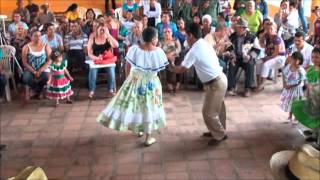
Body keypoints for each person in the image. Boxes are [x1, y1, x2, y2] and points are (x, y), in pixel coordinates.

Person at [97, 27, 168, 146]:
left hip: (134, 81)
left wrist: (127, 79)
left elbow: (127, 66)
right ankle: (148, 137)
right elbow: (161, 71)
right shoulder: (158, 52)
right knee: (149, 108)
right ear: (154, 39)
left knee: (137, 106)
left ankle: (139, 128)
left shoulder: (134, 49)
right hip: (151, 84)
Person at [167, 23, 228, 146]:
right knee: (218, 109)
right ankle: (217, 130)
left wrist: (171, 66)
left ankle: (220, 135)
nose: (185, 39)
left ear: (191, 35)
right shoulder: (203, 43)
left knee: (208, 113)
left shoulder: (195, 49)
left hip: (216, 83)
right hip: (219, 81)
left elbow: (182, 69)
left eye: (186, 36)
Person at [87, 23, 119, 98]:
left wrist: (108, 34)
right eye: (100, 29)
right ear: (97, 30)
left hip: (107, 60)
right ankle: (92, 90)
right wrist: (96, 58)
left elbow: (116, 45)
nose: (102, 31)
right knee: (93, 71)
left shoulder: (108, 38)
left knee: (111, 70)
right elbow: (89, 53)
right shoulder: (92, 38)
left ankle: (111, 89)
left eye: (103, 29)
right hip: (96, 60)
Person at [228, 19, 256, 97]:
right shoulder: (232, 36)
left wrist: (250, 56)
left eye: (238, 27)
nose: (236, 29)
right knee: (232, 64)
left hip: (247, 58)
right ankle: (232, 87)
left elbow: (257, 49)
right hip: (236, 57)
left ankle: (247, 88)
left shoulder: (252, 37)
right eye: (237, 27)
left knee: (250, 64)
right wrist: (232, 55)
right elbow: (229, 47)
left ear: (244, 28)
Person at [255, 21, 286, 92]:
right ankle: (258, 83)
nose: (269, 31)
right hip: (271, 57)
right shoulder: (267, 36)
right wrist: (261, 37)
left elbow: (276, 53)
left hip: (279, 57)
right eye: (267, 29)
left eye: (271, 29)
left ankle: (262, 84)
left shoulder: (277, 38)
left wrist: (266, 58)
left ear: (275, 29)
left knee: (266, 64)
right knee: (258, 62)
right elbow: (262, 46)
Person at [21, 30, 52, 100]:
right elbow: (24, 62)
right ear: (31, 37)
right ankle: (39, 91)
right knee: (26, 78)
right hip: (30, 69)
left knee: (46, 77)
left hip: (43, 68)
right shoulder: (26, 47)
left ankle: (35, 91)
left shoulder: (46, 46)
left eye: (39, 36)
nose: (38, 37)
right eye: (35, 36)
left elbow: (50, 60)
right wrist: (34, 72)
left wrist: (40, 70)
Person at [280, 52, 305, 124]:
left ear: (300, 61)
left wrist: (290, 86)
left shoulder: (300, 70)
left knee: (296, 104)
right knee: (290, 103)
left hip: (296, 90)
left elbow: (300, 81)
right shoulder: (289, 66)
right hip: (289, 89)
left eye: (296, 60)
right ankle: (289, 117)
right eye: (293, 59)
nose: (294, 61)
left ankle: (296, 118)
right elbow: (284, 74)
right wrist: (285, 84)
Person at [159, 27, 182, 92]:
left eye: (169, 31)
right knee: (168, 64)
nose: (167, 33)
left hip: (175, 56)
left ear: (171, 33)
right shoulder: (161, 41)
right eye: (165, 32)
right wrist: (167, 55)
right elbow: (159, 50)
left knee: (179, 64)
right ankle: (169, 84)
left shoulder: (175, 40)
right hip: (165, 57)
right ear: (163, 34)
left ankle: (178, 83)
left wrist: (172, 54)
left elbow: (179, 48)